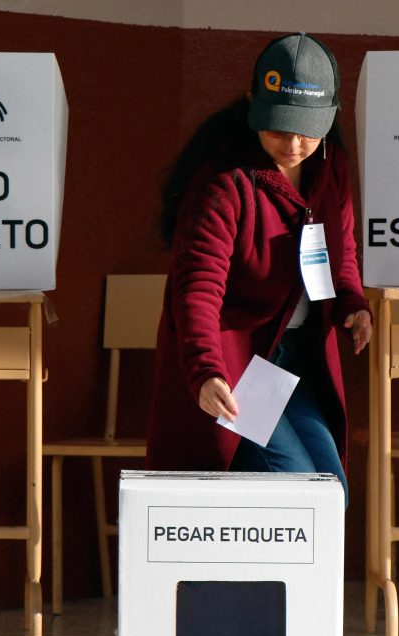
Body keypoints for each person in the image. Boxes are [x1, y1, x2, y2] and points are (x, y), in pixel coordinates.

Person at [146, 32, 372, 503]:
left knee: (332, 494)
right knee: (293, 488)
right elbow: (196, 290)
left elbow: (342, 249)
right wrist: (206, 369)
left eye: (307, 130)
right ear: (254, 106)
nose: (293, 143)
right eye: (278, 128)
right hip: (237, 365)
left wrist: (352, 302)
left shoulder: (332, 167)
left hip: (295, 361)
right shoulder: (223, 182)